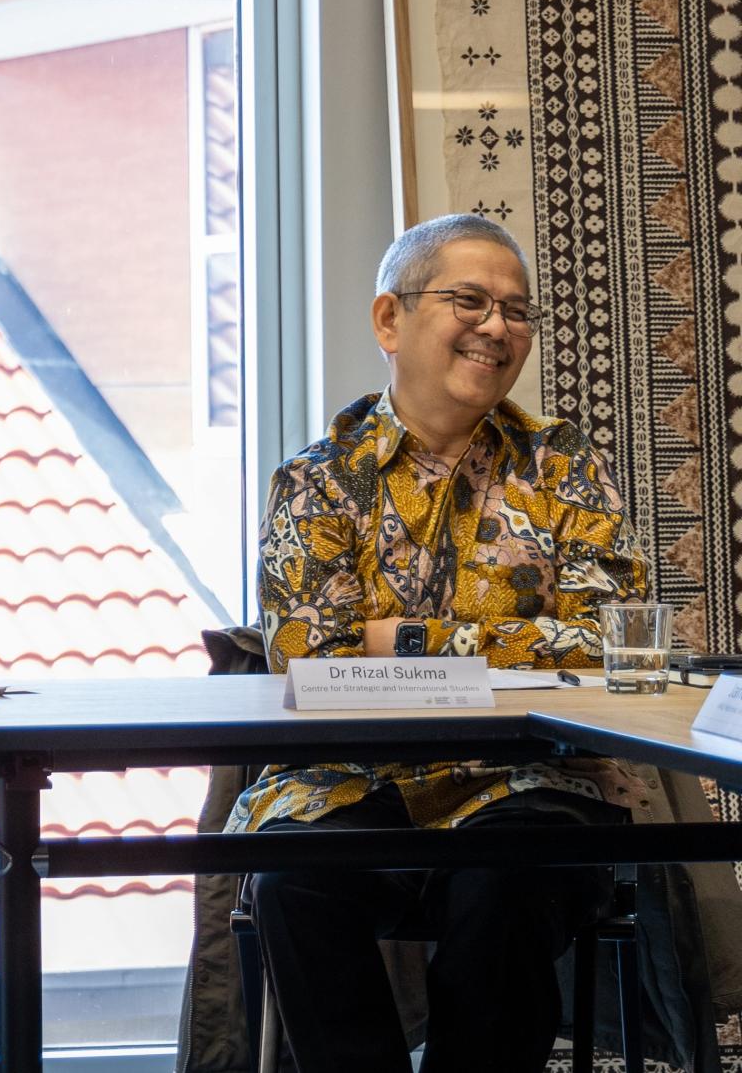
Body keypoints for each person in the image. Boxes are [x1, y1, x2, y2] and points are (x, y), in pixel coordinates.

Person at [233, 214, 647, 1073]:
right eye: (470, 301)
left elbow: (616, 643)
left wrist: (408, 637)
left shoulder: (565, 470)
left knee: (506, 877)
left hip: (528, 779)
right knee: (290, 878)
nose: (498, 327)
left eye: (517, 310)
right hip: (345, 778)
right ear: (391, 320)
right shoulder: (316, 479)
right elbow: (315, 658)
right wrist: (514, 640)